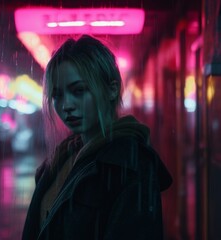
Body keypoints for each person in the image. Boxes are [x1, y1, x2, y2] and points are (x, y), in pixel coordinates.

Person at [22, 34, 172, 240]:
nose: (66, 105)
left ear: (112, 89)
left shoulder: (130, 163)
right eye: (57, 96)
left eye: (79, 91)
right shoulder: (65, 157)